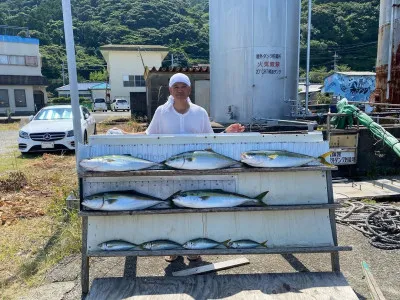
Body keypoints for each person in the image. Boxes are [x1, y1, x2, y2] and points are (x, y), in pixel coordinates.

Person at [112, 73, 245, 262]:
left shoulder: (200, 112)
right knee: (170, 207)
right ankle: (172, 247)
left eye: (183, 86)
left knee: (194, 208)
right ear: (170, 90)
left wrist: (226, 132)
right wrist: (125, 134)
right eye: (176, 87)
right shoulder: (161, 112)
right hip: (169, 169)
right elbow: (149, 135)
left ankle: (193, 247)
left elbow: (210, 140)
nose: (180, 90)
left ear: (189, 90)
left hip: (195, 171)